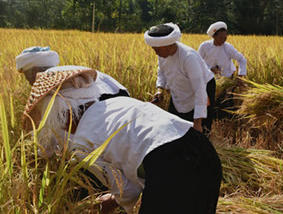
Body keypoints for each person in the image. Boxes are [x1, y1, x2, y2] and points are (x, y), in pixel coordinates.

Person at [22, 69, 222, 214]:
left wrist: (111, 201)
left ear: (63, 116)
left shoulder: (80, 143)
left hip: (172, 166)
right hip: (203, 150)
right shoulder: (115, 103)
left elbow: (127, 190)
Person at [144, 23, 215, 133]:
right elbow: (162, 70)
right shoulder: (162, 54)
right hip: (181, 84)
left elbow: (200, 90)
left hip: (203, 86)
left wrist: (197, 123)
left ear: (169, 46)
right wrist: (160, 89)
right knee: (175, 123)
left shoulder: (189, 57)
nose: (156, 53)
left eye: (157, 50)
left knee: (200, 131)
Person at [15, 46, 129, 101]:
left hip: (102, 102)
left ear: (35, 71)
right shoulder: (70, 70)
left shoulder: (48, 83)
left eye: (25, 75)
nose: (27, 81)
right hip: (123, 96)